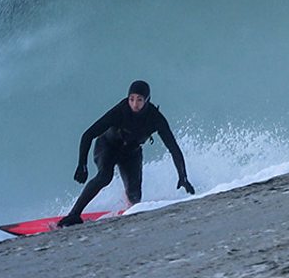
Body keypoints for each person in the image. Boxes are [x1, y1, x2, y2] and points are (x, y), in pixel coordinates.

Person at [57, 79, 195, 226]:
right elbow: (88, 134)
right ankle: (74, 215)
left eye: (139, 100)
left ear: (147, 100)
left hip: (131, 153)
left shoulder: (156, 119)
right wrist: (82, 164)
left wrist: (183, 176)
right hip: (107, 147)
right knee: (105, 176)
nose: (134, 104)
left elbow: (173, 148)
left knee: (135, 197)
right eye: (131, 99)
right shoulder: (120, 111)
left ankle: (128, 207)